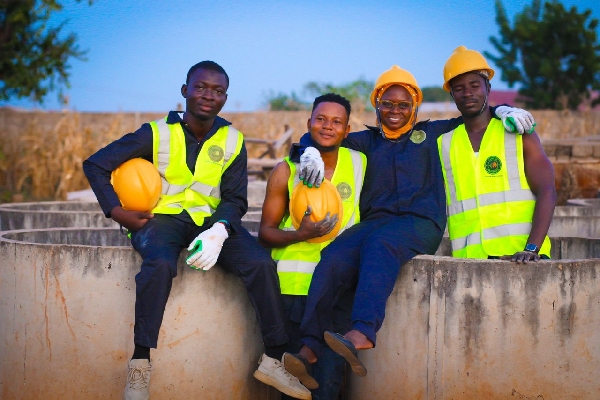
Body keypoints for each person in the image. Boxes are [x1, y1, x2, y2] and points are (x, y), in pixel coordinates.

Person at [282, 64, 536, 385]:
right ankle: (310, 345)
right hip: (376, 223)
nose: (395, 111)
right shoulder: (365, 142)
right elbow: (323, 135)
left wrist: (503, 109)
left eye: (403, 105)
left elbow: (475, 114)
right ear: (377, 105)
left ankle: (362, 330)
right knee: (333, 256)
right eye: (387, 104)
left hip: (420, 223)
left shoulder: (433, 134)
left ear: (414, 106)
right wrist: (307, 151)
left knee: (381, 245)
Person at [82, 61, 311, 400]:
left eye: (218, 91)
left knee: (261, 264)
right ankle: (140, 364)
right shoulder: (155, 133)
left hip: (209, 222)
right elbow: (95, 164)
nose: (208, 95)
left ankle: (273, 359)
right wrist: (118, 213)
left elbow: (235, 199)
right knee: (159, 266)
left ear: (225, 98)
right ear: (184, 91)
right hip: (162, 220)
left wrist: (220, 229)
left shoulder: (233, 140)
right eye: (201, 87)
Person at [258, 93, 366, 400]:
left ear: (347, 130)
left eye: (336, 122)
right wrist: (299, 234)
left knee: (329, 384)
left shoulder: (360, 164)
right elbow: (265, 233)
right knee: (292, 387)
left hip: (337, 291)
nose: (327, 127)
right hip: (294, 291)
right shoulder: (287, 170)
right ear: (309, 124)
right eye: (320, 119)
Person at [438, 46, 556, 262]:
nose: (468, 93)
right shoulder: (443, 142)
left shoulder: (518, 131)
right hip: (469, 263)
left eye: (475, 85)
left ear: (488, 87)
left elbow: (547, 190)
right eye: (459, 88)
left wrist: (531, 249)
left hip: (524, 259)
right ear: (452, 94)